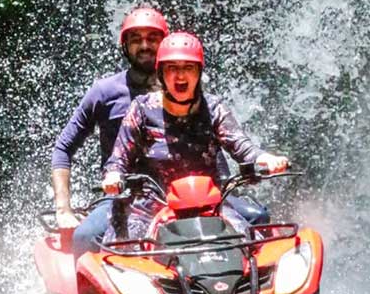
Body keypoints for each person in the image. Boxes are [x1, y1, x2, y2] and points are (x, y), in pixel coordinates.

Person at [101, 31, 288, 240]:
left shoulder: (213, 108)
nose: (180, 76)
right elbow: (118, 159)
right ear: (161, 73)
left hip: (209, 205)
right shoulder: (142, 109)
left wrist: (265, 158)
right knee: (124, 250)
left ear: (199, 72)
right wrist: (113, 176)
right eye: (172, 68)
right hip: (151, 206)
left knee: (248, 243)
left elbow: (242, 146)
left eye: (188, 67)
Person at [51, 7, 169, 258]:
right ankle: (84, 285)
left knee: (250, 218)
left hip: (177, 194)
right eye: (136, 39)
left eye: (152, 38)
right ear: (125, 46)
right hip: (122, 195)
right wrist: (63, 210)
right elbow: (63, 148)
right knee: (85, 237)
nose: (145, 46)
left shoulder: (182, 87)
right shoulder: (104, 92)